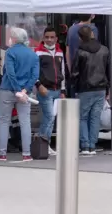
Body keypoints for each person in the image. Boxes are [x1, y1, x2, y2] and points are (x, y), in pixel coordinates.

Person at [0, 27, 39, 162]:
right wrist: (25, 90)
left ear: (14, 39)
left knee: (4, 121)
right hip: (25, 93)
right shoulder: (33, 54)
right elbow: (35, 75)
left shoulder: (10, 52)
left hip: (8, 90)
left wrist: (17, 90)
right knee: (25, 121)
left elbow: (10, 72)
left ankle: (2, 154)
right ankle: (26, 153)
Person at [70, 26, 110, 156]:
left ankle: (85, 146)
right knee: (95, 118)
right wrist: (108, 88)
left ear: (80, 37)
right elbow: (108, 71)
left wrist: (74, 88)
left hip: (85, 89)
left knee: (82, 117)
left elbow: (75, 72)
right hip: (101, 88)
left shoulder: (80, 52)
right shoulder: (104, 50)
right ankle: (93, 145)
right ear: (92, 34)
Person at [34, 27, 66, 156]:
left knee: (51, 118)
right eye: (47, 37)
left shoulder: (59, 52)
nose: (49, 39)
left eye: (52, 37)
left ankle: (45, 144)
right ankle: (43, 143)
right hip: (45, 90)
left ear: (56, 39)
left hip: (57, 90)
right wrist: (39, 85)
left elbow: (62, 72)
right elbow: (34, 71)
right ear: (43, 38)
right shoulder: (38, 52)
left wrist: (63, 90)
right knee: (49, 117)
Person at [65, 14, 99, 98]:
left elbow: (67, 52)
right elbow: (95, 50)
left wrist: (71, 71)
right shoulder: (93, 29)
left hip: (74, 73)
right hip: (89, 75)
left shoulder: (71, 29)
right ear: (92, 15)